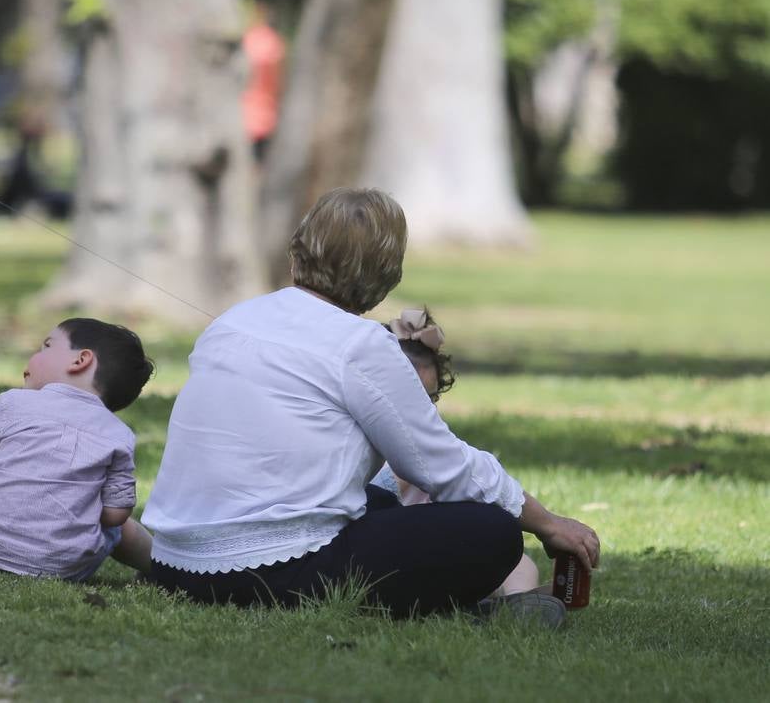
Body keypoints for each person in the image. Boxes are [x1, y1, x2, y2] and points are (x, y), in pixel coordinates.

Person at [141, 187, 600, 619]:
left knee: (380, 499)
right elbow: (442, 465)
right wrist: (545, 522)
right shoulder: (361, 343)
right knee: (492, 532)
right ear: (387, 276)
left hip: (171, 563)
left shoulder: (234, 319)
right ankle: (468, 607)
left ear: (296, 251)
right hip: (270, 572)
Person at [0, 318, 156, 580]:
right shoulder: (119, 434)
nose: (34, 356)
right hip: (64, 569)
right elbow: (115, 515)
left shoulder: (12, 402)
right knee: (121, 529)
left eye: (45, 347)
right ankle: (162, 565)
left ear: (81, 360)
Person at [371, 308, 545, 600]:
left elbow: (469, 484)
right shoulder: (360, 444)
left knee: (519, 563)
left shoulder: (433, 448)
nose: (422, 410)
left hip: (429, 543)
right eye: (410, 398)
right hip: (374, 547)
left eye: (430, 399)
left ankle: (520, 601)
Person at [240, 1, 285, 163]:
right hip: (264, 118)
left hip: (242, 117)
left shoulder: (246, 40)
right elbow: (276, 82)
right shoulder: (273, 43)